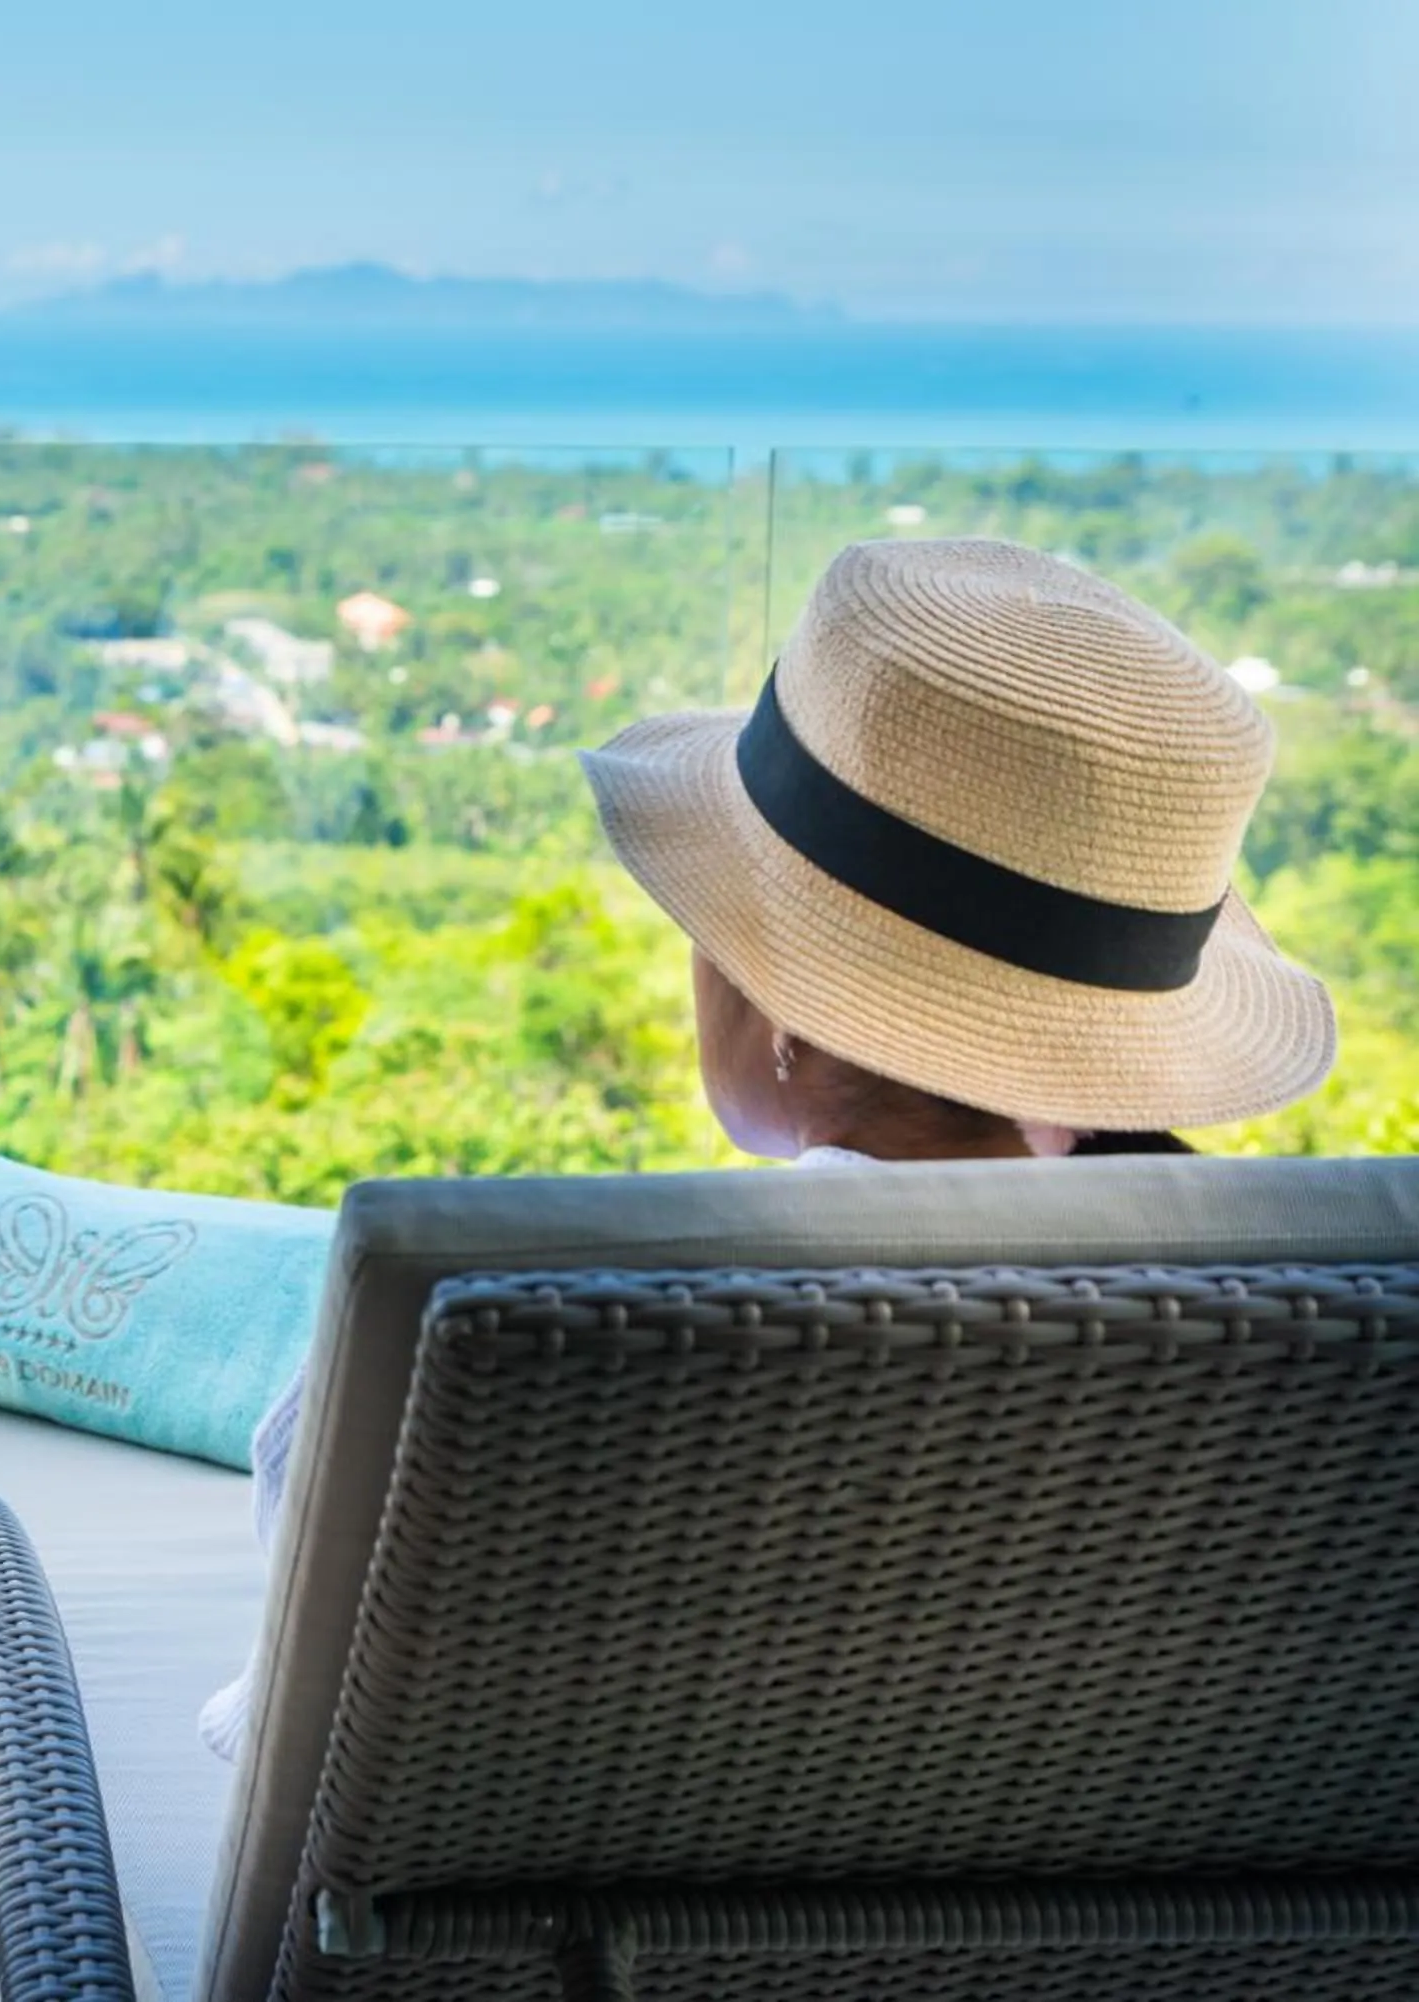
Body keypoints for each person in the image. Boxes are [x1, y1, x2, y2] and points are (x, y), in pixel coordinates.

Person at [200, 535, 1338, 1760]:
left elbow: (302, 1740)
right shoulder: (1304, 1377)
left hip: (589, 1959)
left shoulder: (491, 1343)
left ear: (793, 1002)